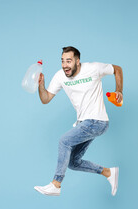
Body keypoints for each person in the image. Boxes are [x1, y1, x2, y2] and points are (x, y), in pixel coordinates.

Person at [34, 46, 123, 196]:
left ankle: (56, 184)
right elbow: (46, 99)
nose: (65, 65)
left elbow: (117, 69)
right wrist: (41, 86)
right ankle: (108, 172)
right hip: (84, 124)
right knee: (73, 162)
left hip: (97, 120)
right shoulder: (60, 76)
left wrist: (119, 90)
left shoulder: (93, 68)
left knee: (64, 141)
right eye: (62, 61)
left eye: (68, 61)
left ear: (77, 61)